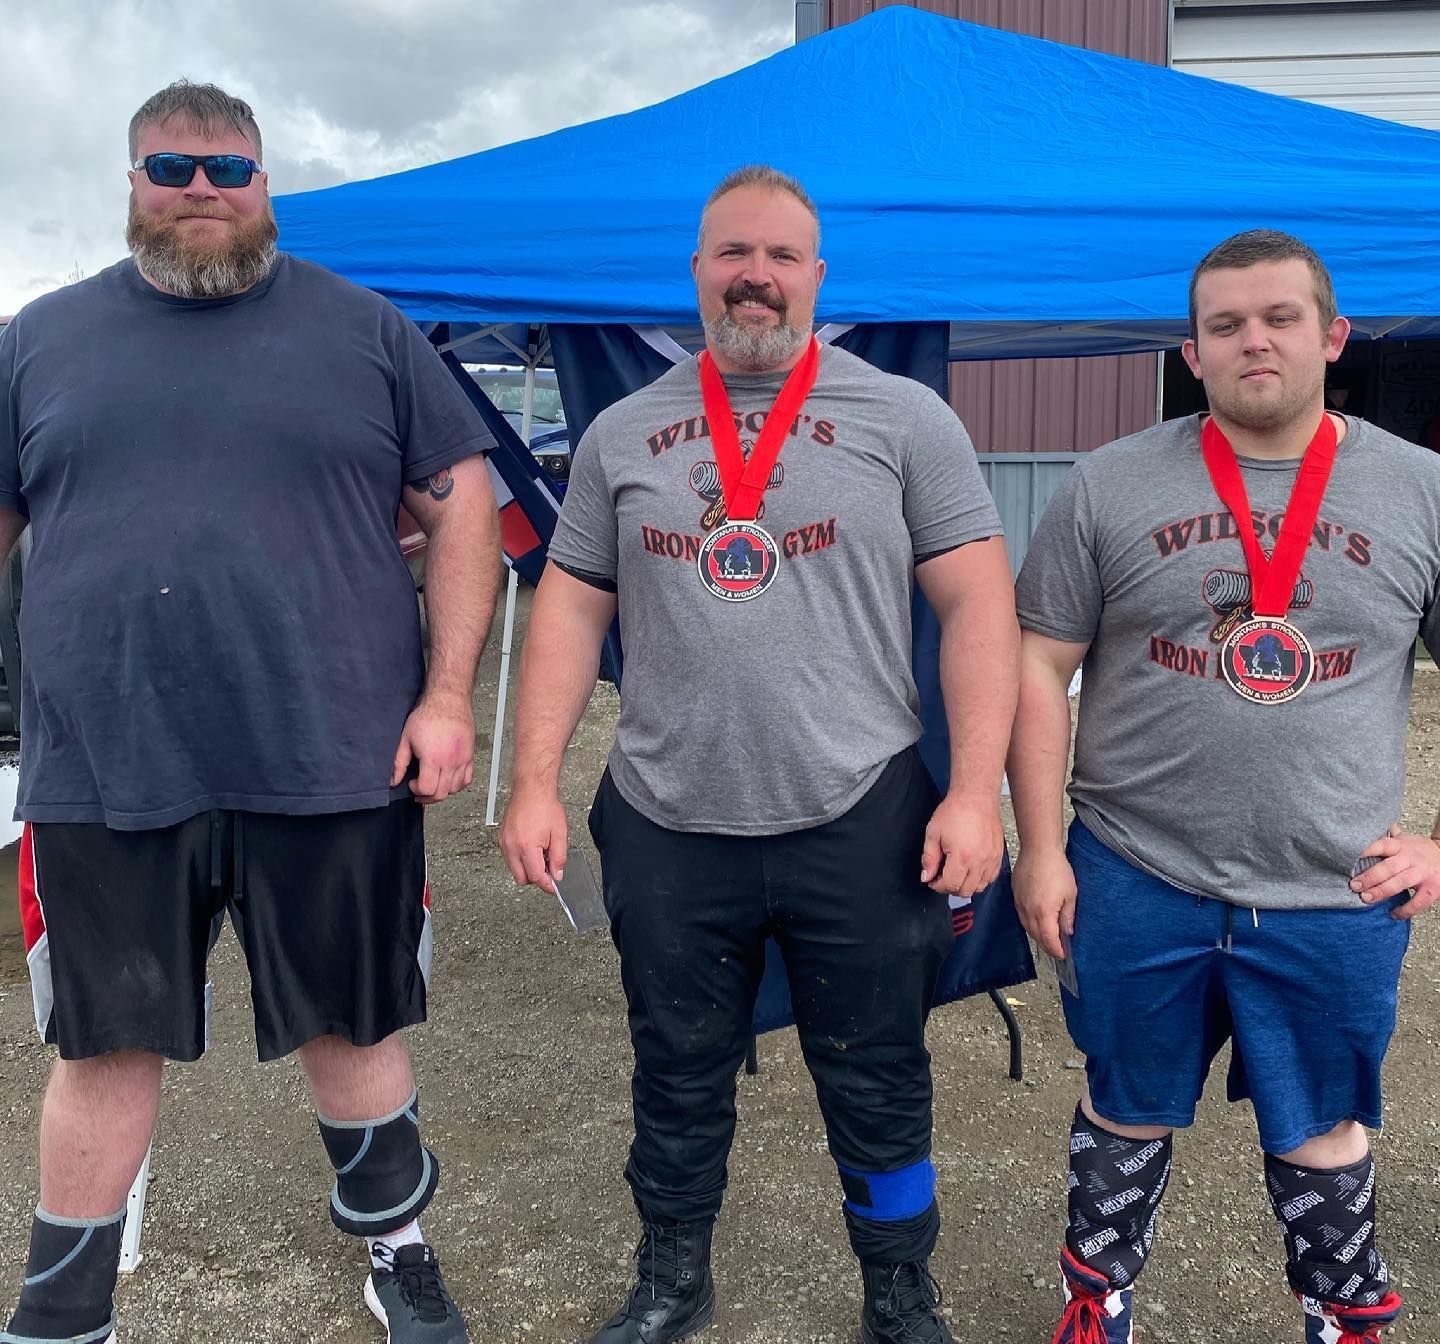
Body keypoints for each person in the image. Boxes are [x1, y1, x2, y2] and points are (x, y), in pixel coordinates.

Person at [0, 81, 501, 1344]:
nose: (203, 190)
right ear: (132, 185)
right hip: (105, 761)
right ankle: (62, 1311)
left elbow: (466, 513)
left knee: (354, 1016)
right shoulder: (39, 341)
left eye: (231, 170)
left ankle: (397, 1247)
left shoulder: (366, 331)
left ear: (267, 184)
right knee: (101, 1039)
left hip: (331, 752)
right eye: (172, 168)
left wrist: (447, 698)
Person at [499, 164, 1018, 1344]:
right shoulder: (624, 431)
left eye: (783, 256)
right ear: (696, 274)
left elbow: (981, 607)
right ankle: (673, 1280)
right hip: (670, 816)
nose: (757, 276)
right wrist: (534, 779)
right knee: (675, 1070)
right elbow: (573, 608)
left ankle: (900, 1291)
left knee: (878, 1073)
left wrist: (975, 792)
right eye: (734, 253)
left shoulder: (905, 417)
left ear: (818, 279)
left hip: (859, 811)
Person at [1008, 229, 1440, 1344]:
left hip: (1332, 888)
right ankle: (1098, 1303)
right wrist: (1044, 848)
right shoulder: (1110, 482)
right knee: (1124, 1102)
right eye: (1226, 324)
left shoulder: (1420, 489)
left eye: (1280, 318)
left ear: (1332, 335)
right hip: (1134, 868)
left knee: (1325, 1121)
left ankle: (1346, 1317)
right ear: (1191, 352)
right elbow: (1038, 662)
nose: (1255, 340)